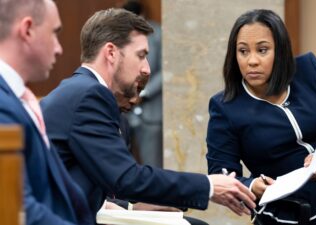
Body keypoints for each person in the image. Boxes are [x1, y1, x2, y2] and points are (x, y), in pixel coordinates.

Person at [40, 8, 256, 221]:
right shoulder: (89, 94)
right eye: (141, 55)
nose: (147, 69)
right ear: (111, 53)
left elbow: (101, 182)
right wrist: (209, 186)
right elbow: (126, 177)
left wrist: (132, 206)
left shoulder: (82, 90)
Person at [206, 9, 316, 225]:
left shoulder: (309, 69)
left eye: (263, 50)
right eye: (243, 51)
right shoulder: (225, 107)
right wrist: (251, 185)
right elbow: (222, 175)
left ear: (281, 51)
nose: (252, 61)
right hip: (293, 209)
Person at [0, 0, 93, 224]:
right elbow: (18, 209)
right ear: (28, 30)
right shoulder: (4, 103)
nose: (59, 48)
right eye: (54, 33)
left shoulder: (16, 97)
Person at [123, 0, 164, 168]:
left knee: (152, 165)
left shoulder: (158, 34)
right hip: (124, 111)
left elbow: (165, 71)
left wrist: (143, 93)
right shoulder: (119, 35)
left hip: (151, 113)